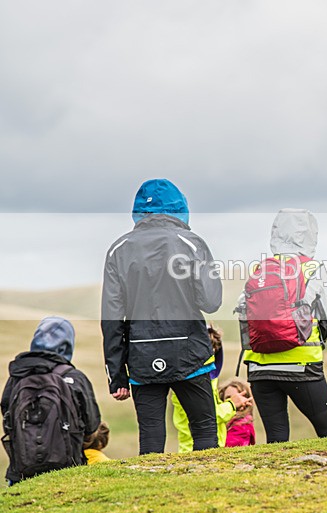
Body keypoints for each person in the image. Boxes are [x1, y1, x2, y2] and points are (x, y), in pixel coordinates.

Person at [101, 178, 223, 454]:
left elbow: (111, 317)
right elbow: (211, 301)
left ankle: (149, 497)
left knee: (151, 439)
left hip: (142, 357)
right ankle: (209, 493)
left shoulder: (117, 250)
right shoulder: (192, 244)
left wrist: (116, 375)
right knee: (204, 432)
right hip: (191, 352)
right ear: (179, 208)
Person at [237, 208, 327, 443]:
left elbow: (243, 311)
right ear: (311, 234)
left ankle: (274, 480)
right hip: (302, 366)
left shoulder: (260, 270)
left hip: (259, 368)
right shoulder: (313, 268)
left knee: (276, 439)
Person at [1, 317, 101, 484]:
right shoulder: (74, 377)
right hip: (69, 467)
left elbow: (7, 417)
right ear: (68, 345)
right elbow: (92, 423)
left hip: (22, 471)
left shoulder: (17, 377)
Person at [171, 325, 252, 452]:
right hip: (191, 450)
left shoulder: (211, 379)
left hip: (212, 446)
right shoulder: (185, 383)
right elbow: (205, 417)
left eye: (214, 351)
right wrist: (232, 405)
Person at [219, 378, 256, 447]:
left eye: (238, 397)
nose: (233, 401)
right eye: (228, 398)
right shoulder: (224, 421)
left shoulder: (242, 426)